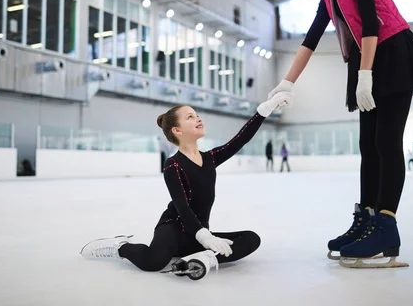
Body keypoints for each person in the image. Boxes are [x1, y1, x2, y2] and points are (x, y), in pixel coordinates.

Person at [268, 0, 413, 268]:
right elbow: (309, 41)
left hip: (391, 54)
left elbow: (372, 23)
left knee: (386, 142)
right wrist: (286, 83)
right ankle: (367, 220)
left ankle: (386, 226)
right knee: (367, 147)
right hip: (367, 61)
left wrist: (365, 75)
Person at [79, 92, 293, 276]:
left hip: (199, 234)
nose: (198, 118)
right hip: (173, 229)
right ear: (177, 130)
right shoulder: (172, 165)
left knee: (250, 239)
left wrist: (264, 110)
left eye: (197, 115)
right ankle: (121, 247)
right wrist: (205, 237)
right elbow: (182, 208)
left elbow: (240, 139)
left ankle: (204, 258)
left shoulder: (210, 158)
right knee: (154, 263)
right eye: (191, 117)